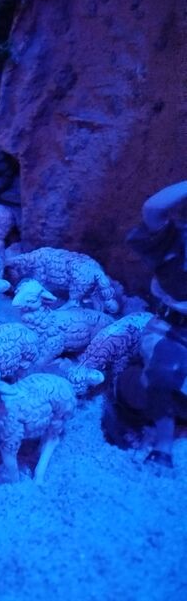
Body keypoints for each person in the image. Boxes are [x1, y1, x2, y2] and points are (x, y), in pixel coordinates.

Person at [122, 179, 187, 466]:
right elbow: (152, 208)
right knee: (164, 371)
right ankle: (163, 444)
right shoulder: (175, 239)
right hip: (172, 330)